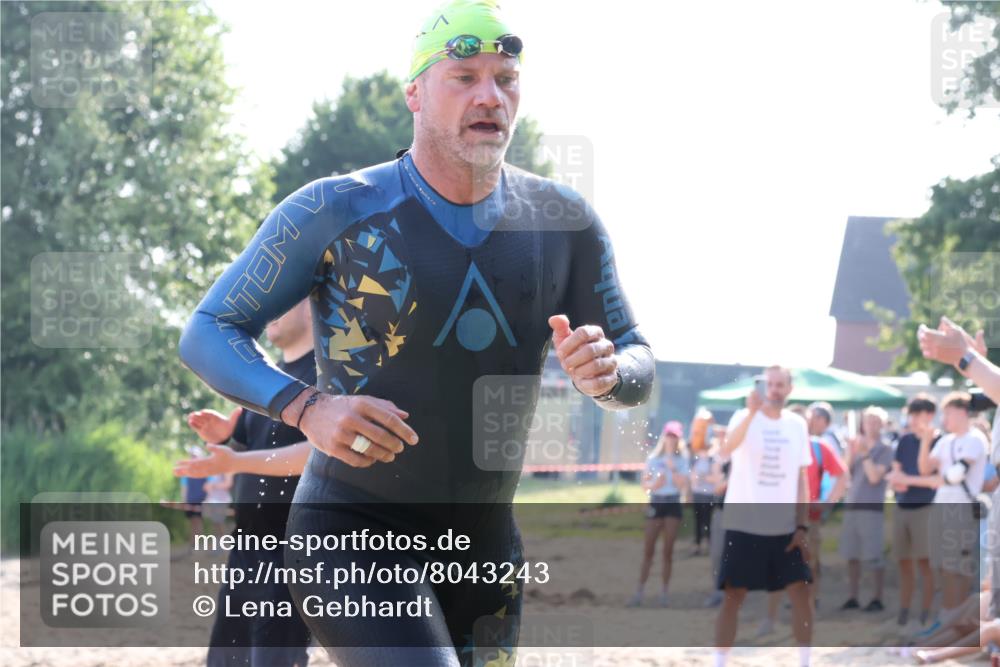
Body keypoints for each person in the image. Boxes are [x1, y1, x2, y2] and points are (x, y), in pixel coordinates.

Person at [177, 1, 655, 664]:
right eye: (464, 76)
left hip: (487, 551)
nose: (490, 95)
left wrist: (610, 372)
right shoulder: (336, 208)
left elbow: (637, 359)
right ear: (415, 94)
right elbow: (208, 328)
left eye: (506, 78)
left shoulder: (562, 222)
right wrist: (306, 406)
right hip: (351, 535)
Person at [176, 299, 315, 667]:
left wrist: (235, 462)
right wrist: (226, 432)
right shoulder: (265, 378)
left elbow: (316, 455)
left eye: (284, 300)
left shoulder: (326, 376)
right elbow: (256, 438)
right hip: (247, 547)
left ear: (311, 304)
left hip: (292, 549)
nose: (270, 310)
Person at [713, 366, 813, 667]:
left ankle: (805, 661)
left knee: (801, 593)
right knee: (733, 595)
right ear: (761, 386)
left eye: (780, 384)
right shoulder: (744, 417)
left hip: (784, 528)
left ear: (790, 389)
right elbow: (726, 449)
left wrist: (802, 524)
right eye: (769, 384)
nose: (774, 389)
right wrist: (751, 413)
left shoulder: (797, 424)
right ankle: (720, 661)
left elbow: (801, 477)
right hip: (743, 524)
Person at [888, 393, 940, 634]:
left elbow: (934, 479)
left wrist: (908, 479)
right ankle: (904, 609)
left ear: (929, 415)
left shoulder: (940, 441)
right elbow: (896, 473)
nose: (914, 419)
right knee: (903, 563)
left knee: (925, 564)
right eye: (912, 414)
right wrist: (897, 482)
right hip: (902, 507)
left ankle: (925, 612)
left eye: (918, 414)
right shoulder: (905, 440)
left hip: (926, 509)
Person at [838, 406, 894, 613]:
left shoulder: (886, 449)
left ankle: (876, 597)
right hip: (852, 505)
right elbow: (845, 472)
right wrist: (850, 451)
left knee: (873, 556)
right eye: (868, 420)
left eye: (876, 421)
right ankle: (853, 596)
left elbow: (874, 477)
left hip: (871, 508)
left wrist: (864, 454)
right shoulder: (857, 446)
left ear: (882, 424)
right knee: (851, 554)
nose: (871, 425)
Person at [627, 421, 690, 608]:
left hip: (672, 503)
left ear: (678, 439)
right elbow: (644, 484)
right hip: (657, 501)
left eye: (675, 437)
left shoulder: (682, 459)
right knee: (648, 550)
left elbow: (682, 486)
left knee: (667, 551)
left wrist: (672, 469)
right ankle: (640, 591)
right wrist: (655, 485)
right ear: (664, 437)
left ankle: (664, 592)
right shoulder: (653, 458)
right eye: (669, 436)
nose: (671, 440)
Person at [689, 425, 718, 557]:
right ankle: (698, 544)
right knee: (698, 520)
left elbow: (715, 478)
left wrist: (703, 477)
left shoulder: (713, 459)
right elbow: (692, 478)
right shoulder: (696, 459)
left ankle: (708, 544)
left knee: (707, 520)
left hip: (708, 495)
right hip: (698, 494)